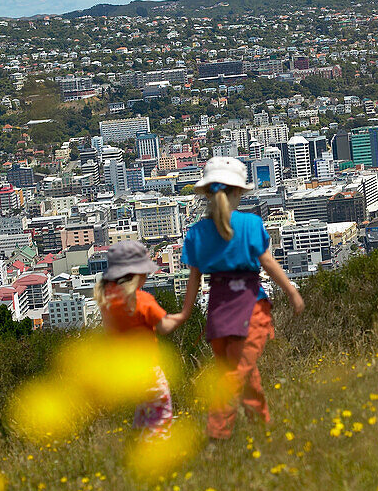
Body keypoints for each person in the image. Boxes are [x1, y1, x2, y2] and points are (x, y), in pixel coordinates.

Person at [181, 156, 304, 440]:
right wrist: (293, 293)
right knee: (238, 373)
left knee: (242, 372)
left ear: (207, 193)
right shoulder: (250, 224)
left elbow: (194, 278)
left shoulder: (197, 232)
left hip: (218, 310)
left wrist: (185, 313)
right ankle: (217, 435)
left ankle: (261, 429)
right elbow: (269, 264)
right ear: (238, 192)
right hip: (250, 308)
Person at [93, 239, 193, 436]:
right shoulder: (142, 300)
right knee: (160, 420)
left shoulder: (108, 303)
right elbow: (163, 327)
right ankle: (157, 456)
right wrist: (182, 316)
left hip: (129, 374)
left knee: (143, 412)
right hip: (149, 371)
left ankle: (136, 444)